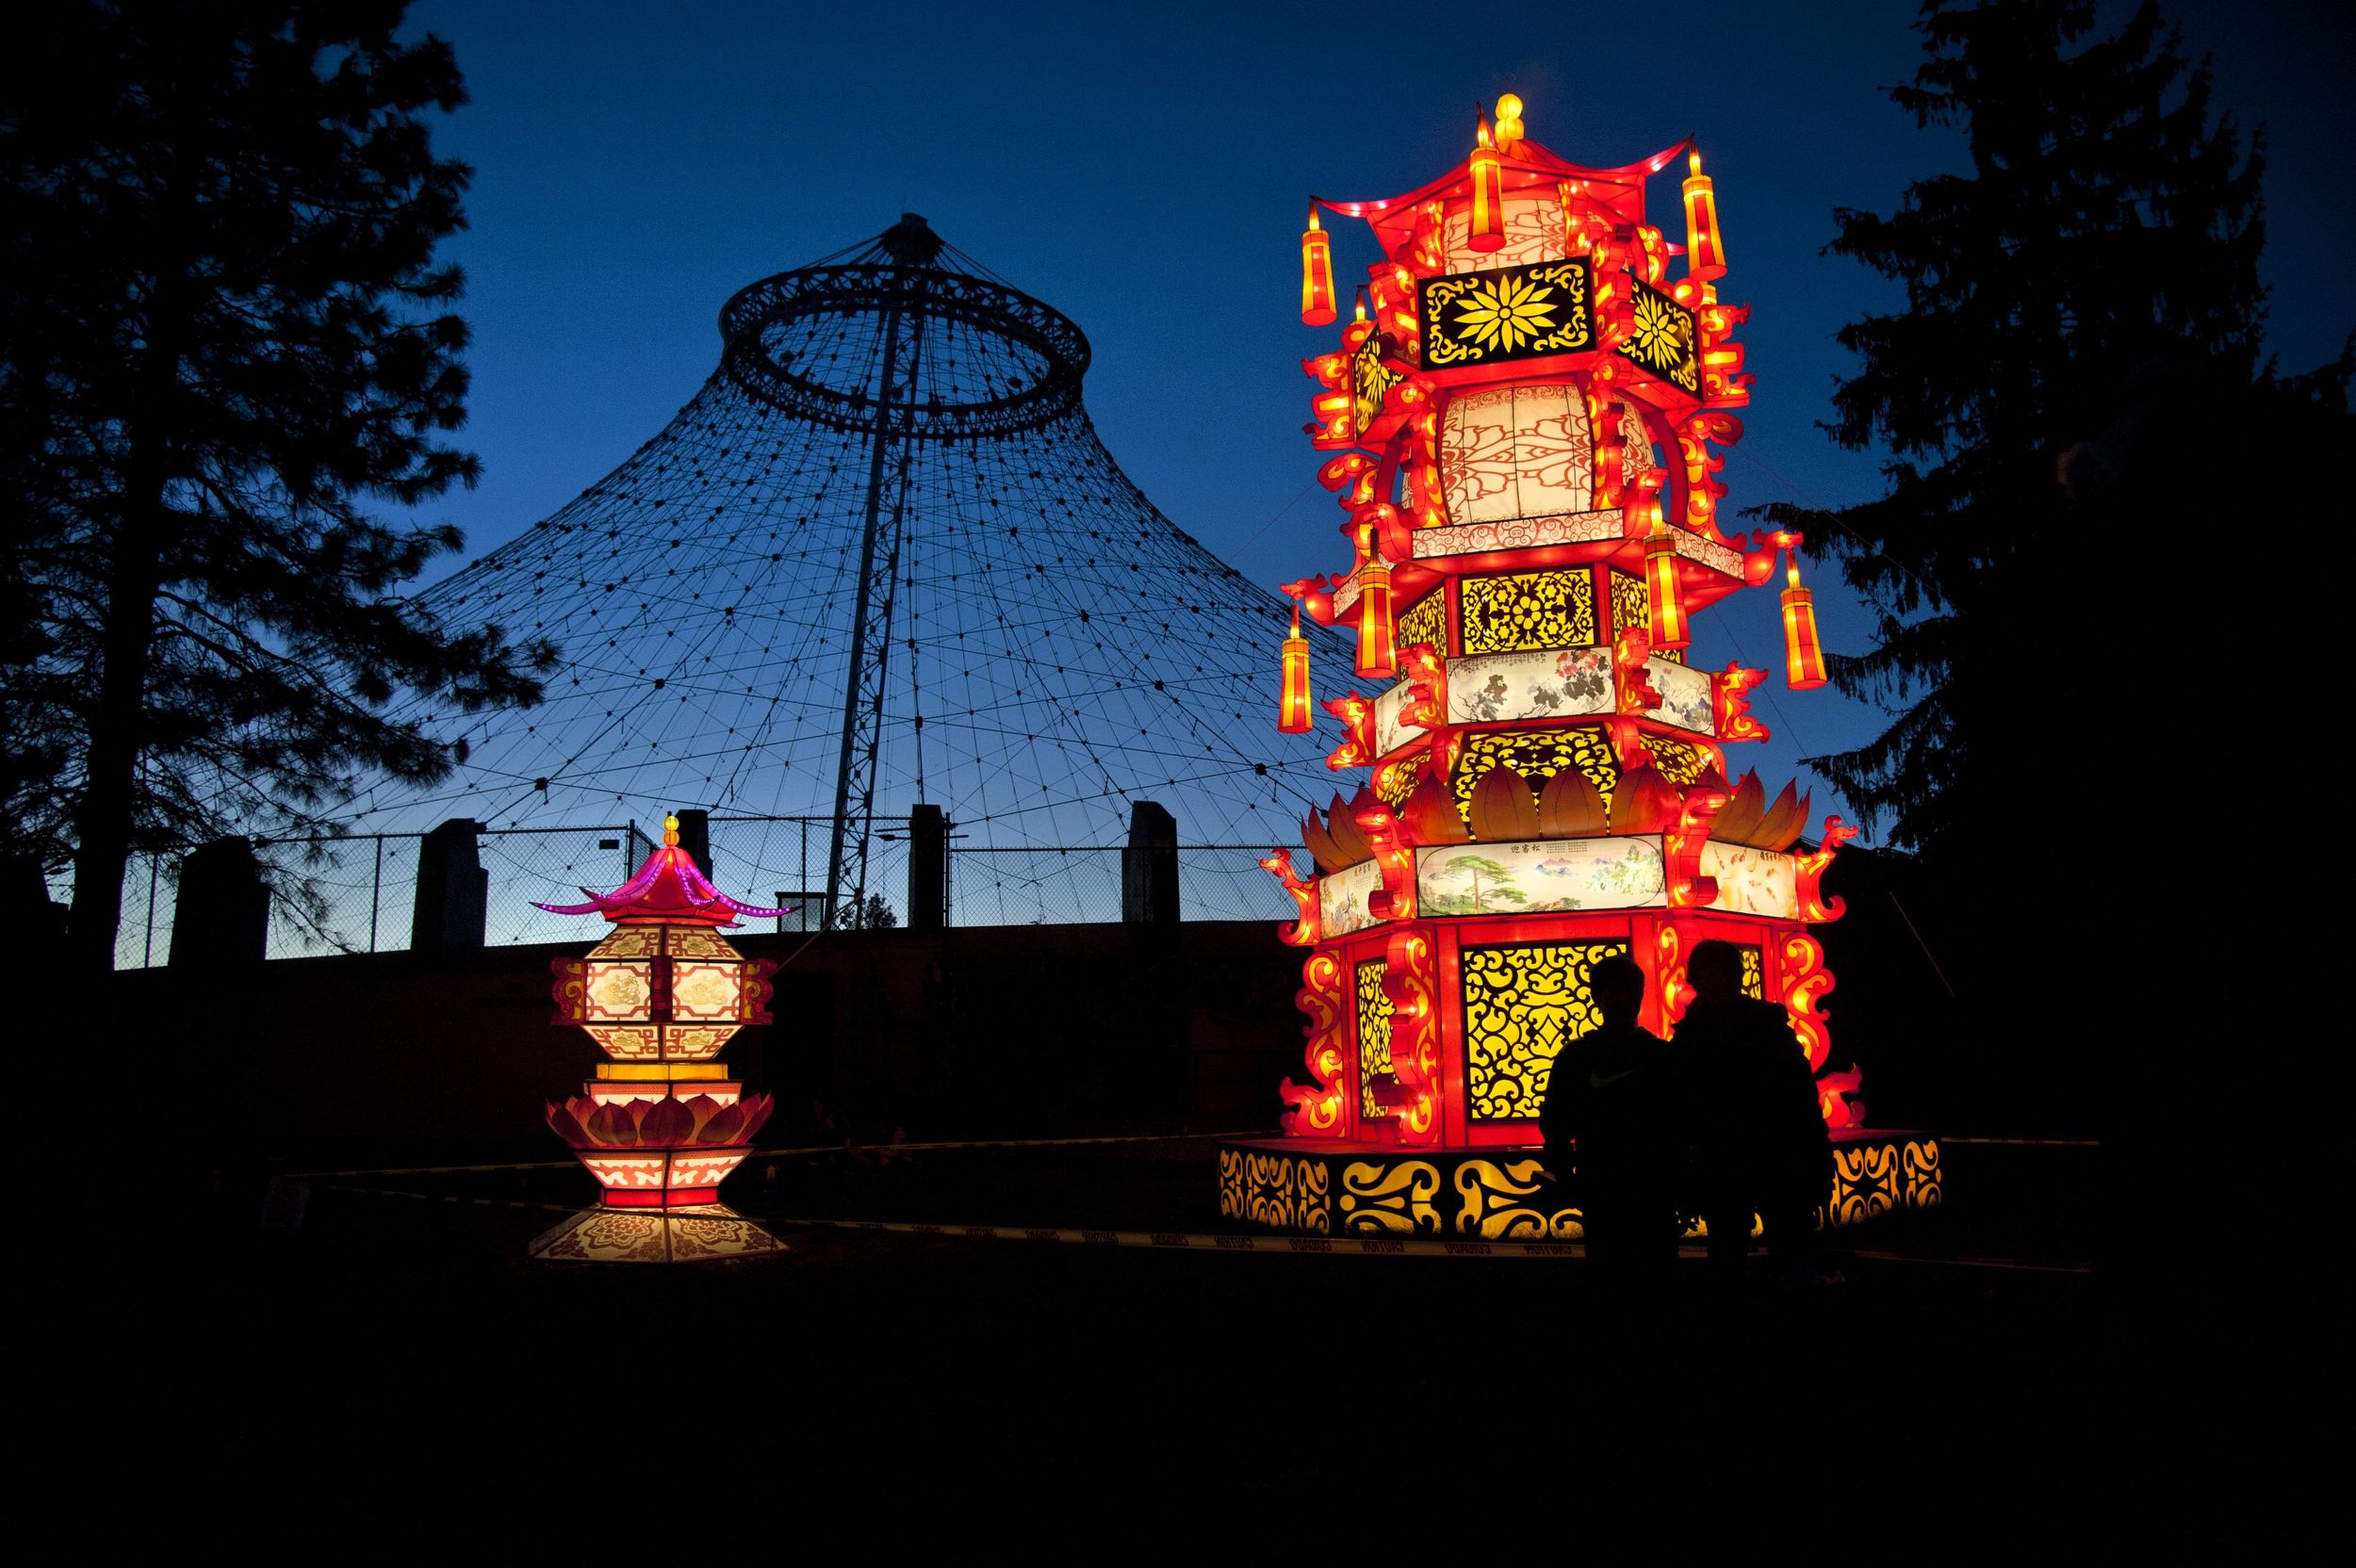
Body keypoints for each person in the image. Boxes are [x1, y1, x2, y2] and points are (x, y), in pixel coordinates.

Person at [1673, 940, 1835, 1285]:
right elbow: (1803, 1100)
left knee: (1734, 1255)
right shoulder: (1767, 1026)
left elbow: (1679, 1112)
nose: (1718, 981)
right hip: (1767, 1159)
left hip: (1741, 1162)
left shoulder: (1692, 1037)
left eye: (1723, 973)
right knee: (1781, 1255)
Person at [1539, 954, 1682, 1280]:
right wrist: (1565, 1171)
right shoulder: (1579, 1056)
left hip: (1648, 1186)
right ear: (1598, 998)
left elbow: (1680, 1120)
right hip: (1608, 1185)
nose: (1621, 999)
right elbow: (1556, 1121)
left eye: (1628, 991)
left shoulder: (1660, 1056)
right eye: (1613, 991)